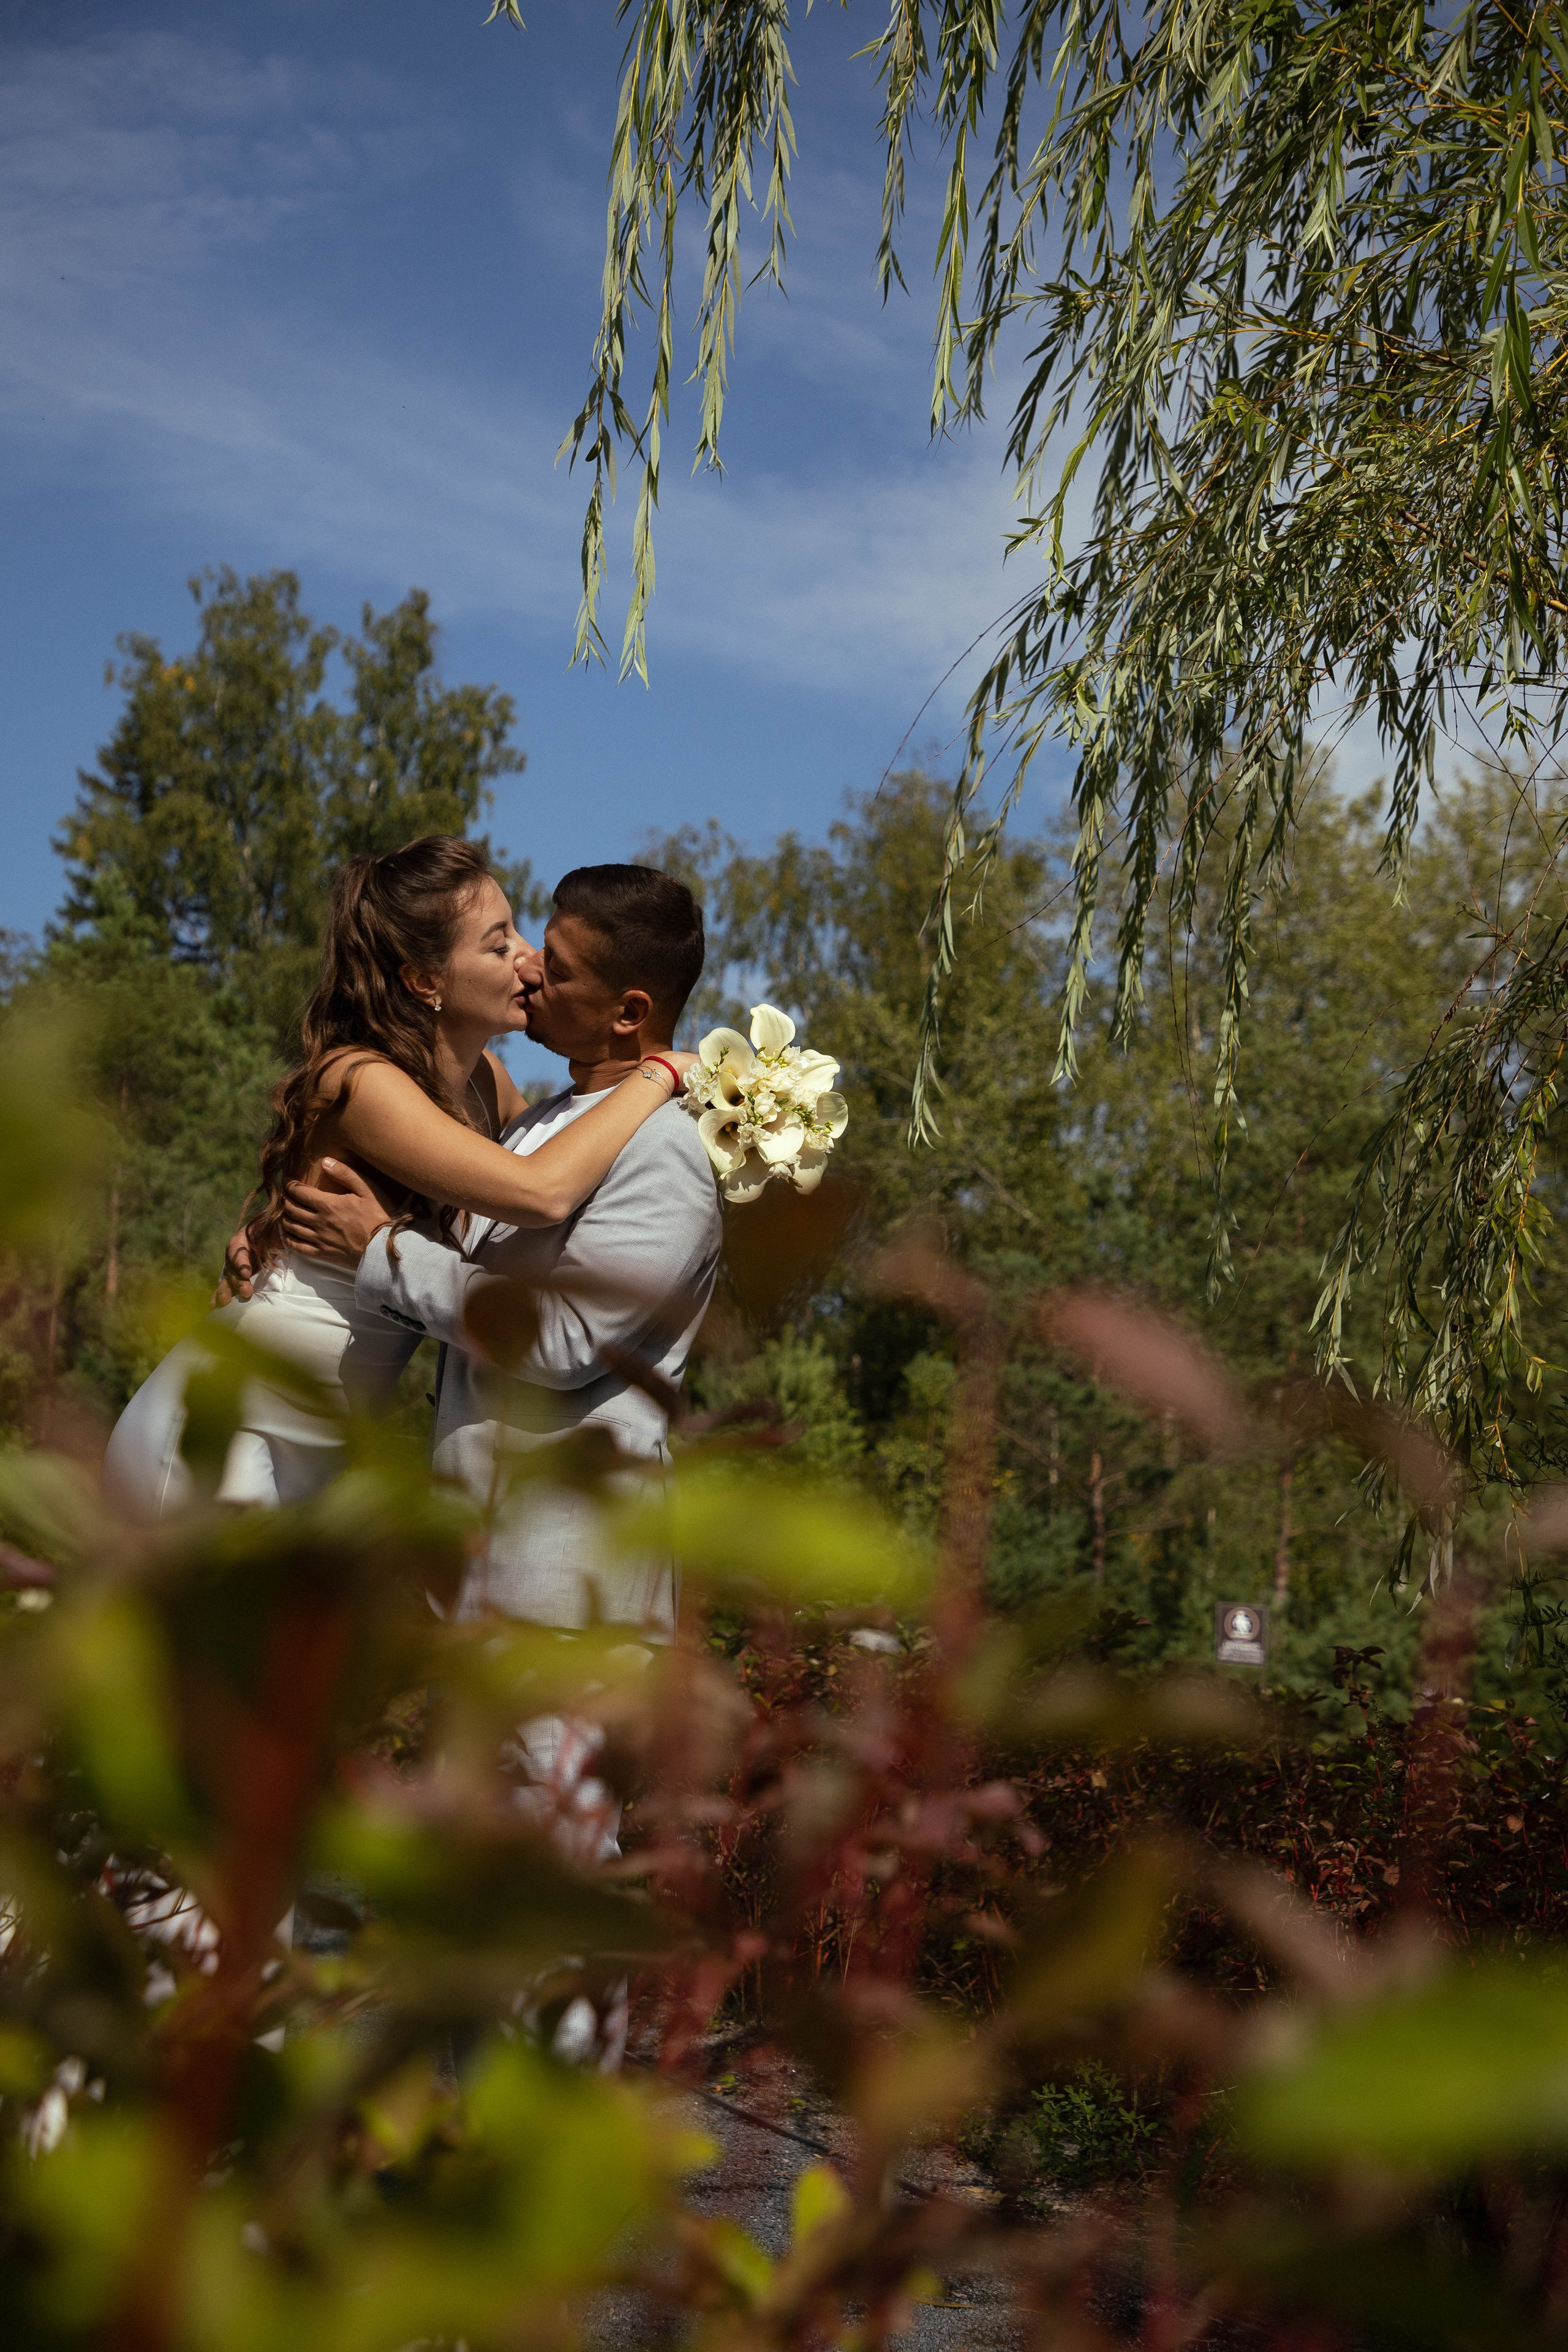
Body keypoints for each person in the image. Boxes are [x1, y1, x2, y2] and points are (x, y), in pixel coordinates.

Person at [244, 862, 724, 2068]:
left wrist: (384, 1251)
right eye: (524, 950)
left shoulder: (663, 1159)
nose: (528, 974)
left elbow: (560, 1339)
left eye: (553, 967)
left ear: (629, 1013)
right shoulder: (537, 1121)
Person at [102, 838, 698, 1520]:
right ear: (425, 981)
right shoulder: (362, 1081)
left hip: (325, 1446)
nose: (530, 961)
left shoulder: (486, 1085)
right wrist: (668, 1071)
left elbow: (584, 1155)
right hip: (230, 1422)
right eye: (498, 945)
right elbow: (541, 1191)